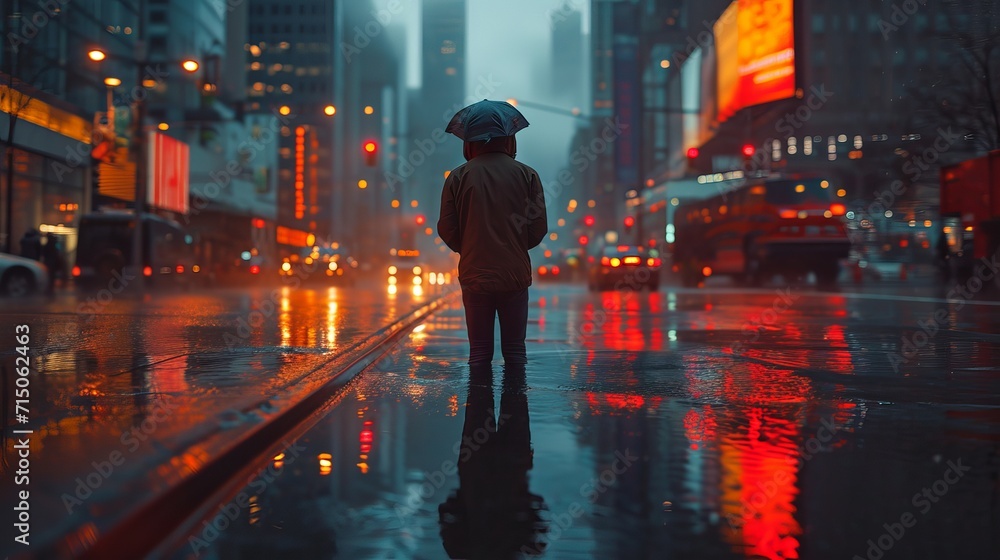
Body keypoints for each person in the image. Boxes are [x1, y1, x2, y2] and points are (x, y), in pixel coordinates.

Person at [437, 135, 548, 366]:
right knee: (515, 350)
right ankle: (516, 399)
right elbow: (538, 227)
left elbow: (447, 228)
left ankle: (478, 399)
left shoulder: (458, 177)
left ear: (470, 142)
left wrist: (469, 247)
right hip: (514, 273)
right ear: (509, 140)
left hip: (475, 272)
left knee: (479, 351)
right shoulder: (527, 175)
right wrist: (514, 246)